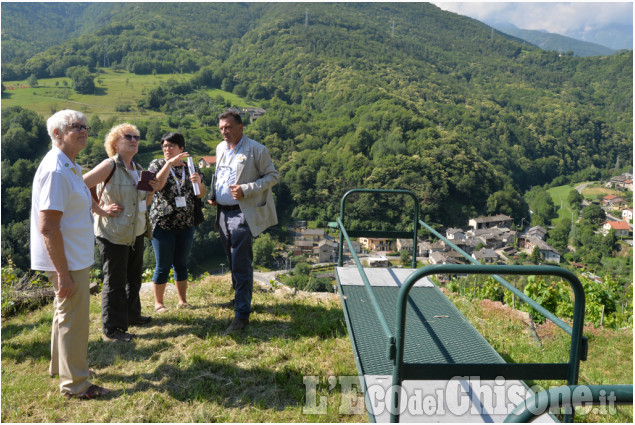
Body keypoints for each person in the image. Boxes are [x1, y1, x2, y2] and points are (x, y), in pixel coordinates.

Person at [30, 109, 110, 399]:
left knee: (64, 314)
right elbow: (48, 227)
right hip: (68, 259)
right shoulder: (56, 169)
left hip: (72, 255)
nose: (83, 130)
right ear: (56, 134)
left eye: (85, 126)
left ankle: (59, 367)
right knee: (73, 321)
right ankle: (76, 385)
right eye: (74, 126)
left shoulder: (68, 164)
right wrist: (63, 273)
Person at [83, 124, 157, 342]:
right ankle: (112, 329)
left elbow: (145, 201)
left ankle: (131, 315)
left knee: (133, 277)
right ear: (115, 143)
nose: (134, 140)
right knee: (115, 281)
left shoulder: (137, 167)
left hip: (135, 230)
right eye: (128, 137)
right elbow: (82, 184)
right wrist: (100, 209)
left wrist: (150, 191)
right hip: (112, 232)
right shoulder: (110, 165)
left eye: (137, 137)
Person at [207, 109, 278, 332]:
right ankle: (239, 300)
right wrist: (213, 195)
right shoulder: (220, 148)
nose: (224, 132)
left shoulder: (256, 149)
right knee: (231, 258)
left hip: (242, 212)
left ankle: (242, 315)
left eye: (228, 127)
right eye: (221, 128)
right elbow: (218, 175)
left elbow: (272, 176)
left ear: (240, 127)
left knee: (240, 261)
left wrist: (247, 189)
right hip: (222, 211)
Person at [147, 132, 206, 312]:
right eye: (164, 146)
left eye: (171, 146)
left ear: (181, 149)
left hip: (186, 224)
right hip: (163, 224)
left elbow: (200, 194)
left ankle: (182, 301)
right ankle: (159, 304)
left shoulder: (191, 167)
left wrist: (199, 183)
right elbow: (157, 185)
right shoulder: (156, 164)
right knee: (163, 265)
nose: (167, 149)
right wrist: (168, 164)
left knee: (181, 264)